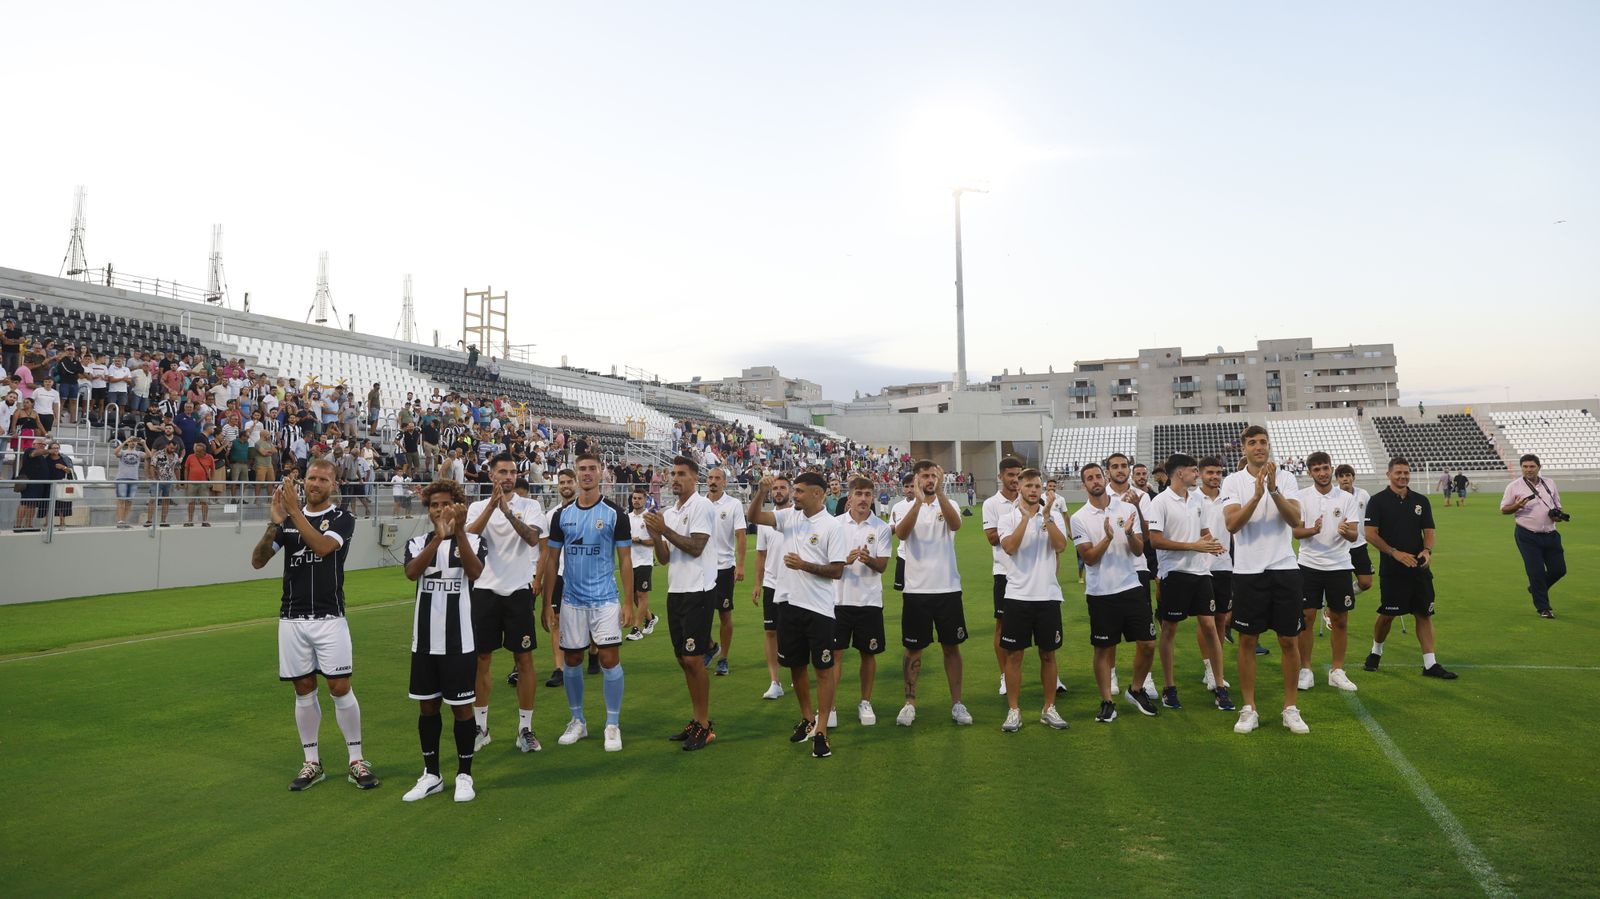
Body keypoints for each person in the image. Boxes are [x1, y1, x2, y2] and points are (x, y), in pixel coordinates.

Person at [248, 462, 375, 792]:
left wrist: (292, 511)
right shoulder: (288, 520)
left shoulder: (343, 519)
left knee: (339, 687)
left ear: (334, 483)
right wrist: (272, 526)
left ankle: (357, 759)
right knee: (303, 688)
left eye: (323, 479)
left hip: (330, 617)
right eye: (311, 478)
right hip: (292, 618)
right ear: (303, 482)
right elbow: (258, 560)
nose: (316, 484)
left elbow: (321, 547)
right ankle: (312, 762)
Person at [747, 472, 849, 758]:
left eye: (801, 491)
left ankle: (823, 730)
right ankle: (807, 719)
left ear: (818, 494)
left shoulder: (831, 526)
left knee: (823, 670)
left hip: (819, 609)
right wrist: (760, 492)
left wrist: (804, 565)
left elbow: (837, 570)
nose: (795, 495)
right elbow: (754, 516)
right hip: (788, 603)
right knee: (796, 666)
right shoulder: (789, 517)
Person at [540, 452, 634, 752]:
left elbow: (626, 559)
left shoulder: (615, 514)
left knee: (608, 659)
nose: (587, 474)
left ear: (601, 472)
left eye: (592, 468)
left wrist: (629, 602)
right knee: (572, 660)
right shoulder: (561, 516)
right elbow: (552, 560)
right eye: (582, 469)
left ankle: (612, 724)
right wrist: (547, 604)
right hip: (572, 601)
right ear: (576, 474)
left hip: (605, 599)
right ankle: (577, 721)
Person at [1221, 425, 1309, 735]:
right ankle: (1249, 708)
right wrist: (1257, 496)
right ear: (1243, 448)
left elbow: (1296, 520)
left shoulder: (1285, 478)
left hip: (1284, 568)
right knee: (1247, 640)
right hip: (1247, 572)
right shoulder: (1233, 481)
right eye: (1253, 443)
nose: (1259, 447)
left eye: (1263, 442)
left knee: (1288, 639)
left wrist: (1273, 490)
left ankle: (1290, 708)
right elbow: (1232, 524)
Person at [400, 481, 485, 803]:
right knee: (427, 707)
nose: (440, 510)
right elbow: (411, 572)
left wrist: (459, 532)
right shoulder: (418, 542)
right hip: (424, 644)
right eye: (435, 505)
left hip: (459, 643)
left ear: (458, 505)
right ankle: (431, 774)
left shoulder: (474, 541)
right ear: (428, 508)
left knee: (462, 709)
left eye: (446, 504)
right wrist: (439, 536)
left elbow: (475, 572)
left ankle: (465, 775)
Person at [465, 453, 549, 754]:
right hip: (484, 590)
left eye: (513, 472)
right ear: (491, 475)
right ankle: (481, 727)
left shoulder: (531, 506)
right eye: (502, 471)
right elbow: (468, 537)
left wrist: (508, 511)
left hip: (518, 591)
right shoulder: (477, 506)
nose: (508, 476)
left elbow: (531, 539)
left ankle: (525, 729)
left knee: (524, 660)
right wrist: (492, 506)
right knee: (481, 660)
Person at [1071, 462, 1155, 723]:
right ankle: (1107, 700)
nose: (1095, 481)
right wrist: (1107, 538)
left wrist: (1129, 533)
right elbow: (1089, 559)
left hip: (1131, 585)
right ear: (1083, 484)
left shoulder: (1127, 508)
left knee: (1148, 644)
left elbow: (1139, 550)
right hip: (1101, 593)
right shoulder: (1079, 518)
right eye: (1089, 478)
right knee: (1104, 649)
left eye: (1098, 476)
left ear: (1104, 478)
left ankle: (1136, 689)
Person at [643, 455, 717, 751]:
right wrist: (655, 535)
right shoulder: (670, 512)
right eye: (672, 473)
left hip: (698, 590)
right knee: (682, 659)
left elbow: (696, 548)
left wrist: (664, 531)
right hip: (677, 590)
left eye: (681, 474)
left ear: (694, 478)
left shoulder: (702, 506)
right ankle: (696, 720)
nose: (675, 478)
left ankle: (704, 724)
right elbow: (665, 557)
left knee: (693, 659)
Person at [1145, 453, 1228, 712]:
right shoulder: (1159, 502)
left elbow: (1204, 531)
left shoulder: (1197, 501)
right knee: (1169, 630)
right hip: (1175, 573)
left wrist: (1213, 543)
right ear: (1180, 473)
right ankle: (1169, 688)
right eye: (1194, 470)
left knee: (1210, 626)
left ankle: (1219, 685)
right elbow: (1155, 540)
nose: (1197, 474)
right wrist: (1194, 545)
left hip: (1202, 573)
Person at [893, 460, 971, 728]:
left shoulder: (946, 503)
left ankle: (957, 703)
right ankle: (909, 703)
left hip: (948, 587)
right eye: (925, 476)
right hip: (916, 590)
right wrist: (917, 502)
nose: (929, 480)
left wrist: (939, 494)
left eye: (933, 476)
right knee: (913, 650)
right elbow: (901, 534)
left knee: (952, 647)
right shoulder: (900, 507)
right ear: (916, 479)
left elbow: (955, 524)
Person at [1363, 458, 1457, 679]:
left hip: (1419, 568)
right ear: (1389, 475)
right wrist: (1395, 553)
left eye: (1406, 472)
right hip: (1393, 569)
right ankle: (1376, 652)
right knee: (1387, 615)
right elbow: (1370, 533)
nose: (1403, 476)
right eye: (1398, 473)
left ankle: (1430, 664)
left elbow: (1429, 530)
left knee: (1424, 614)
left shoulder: (1421, 501)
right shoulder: (1377, 501)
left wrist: (1427, 551)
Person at [996, 468, 1071, 732]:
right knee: (1014, 656)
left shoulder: (1051, 516)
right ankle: (1014, 710)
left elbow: (1061, 546)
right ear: (1019, 488)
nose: (1033, 490)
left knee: (1048, 654)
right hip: (1017, 596)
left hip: (1048, 596)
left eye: (1037, 486)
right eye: (1028, 486)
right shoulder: (1007, 518)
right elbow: (1010, 547)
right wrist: (1026, 520)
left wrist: (1047, 517)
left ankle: (1048, 708)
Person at [1290, 452, 1361, 692]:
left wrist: (1345, 532)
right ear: (1310, 472)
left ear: (1331, 469)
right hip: (1308, 564)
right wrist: (1313, 529)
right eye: (1317, 469)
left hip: (1339, 565)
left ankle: (1337, 670)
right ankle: (1305, 669)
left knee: (1340, 619)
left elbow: (1354, 534)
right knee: (1306, 619)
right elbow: (1296, 533)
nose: (1322, 473)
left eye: (1325, 468)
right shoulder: (1300, 498)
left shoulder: (1346, 498)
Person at [831, 475, 892, 727]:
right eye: (859, 494)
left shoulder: (881, 528)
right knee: (835, 654)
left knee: (869, 653)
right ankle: (829, 705)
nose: (864, 499)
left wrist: (869, 560)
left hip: (868, 601)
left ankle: (865, 702)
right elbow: (828, 565)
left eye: (868, 494)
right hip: (837, 600)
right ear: (850, 496)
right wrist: (844, 560)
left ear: (873, 498)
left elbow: (883, 566)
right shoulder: (834, 526)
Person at [1500, 454, 1567, 619]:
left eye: (1532, 466)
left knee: (1559, 570)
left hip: (1551, 533)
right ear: (1521, 468)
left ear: (1539, 467)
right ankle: (1544, 608)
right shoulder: (1514, 486)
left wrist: (1557, 516)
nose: (1528, 470)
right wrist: (1517, 505)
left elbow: (1557, 505)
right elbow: (1503, 509)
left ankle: (1536, 588)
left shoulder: (1549, 483)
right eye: (1525, 467)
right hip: (1527, 534)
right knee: (1536, 572)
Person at [982, 457, 1023, 697]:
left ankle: (1053, 675)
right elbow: (991, 537)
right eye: (1010, 475)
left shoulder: (1029, 497)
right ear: (1000, 476)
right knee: (1002, 625)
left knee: (1038, 627)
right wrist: (1018, 526)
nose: (1015, 480)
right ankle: (1004, 676)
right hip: (1004, 572)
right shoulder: (991, 504)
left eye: (1018, 475)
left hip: (1029, 572)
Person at [751, 473, 793, 700]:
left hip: (795, 583)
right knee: (770, 632)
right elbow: (761, 554)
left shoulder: (798, 516)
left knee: (796, 632)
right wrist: (757, 583)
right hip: (771, 584)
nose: (778, 491)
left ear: (791, 491)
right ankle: (775, 681)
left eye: (782, 487)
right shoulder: (765, 520)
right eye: (775, 488)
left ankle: (798, 673)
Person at [702, 467, 747, 676]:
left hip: (724, 568)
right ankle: (711, 646)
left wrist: (740, 564)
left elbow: (740, 535)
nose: (713, 481)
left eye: (717, 478)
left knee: (724, 614)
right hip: (701, 568)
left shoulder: (733, 504)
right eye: (710, 477)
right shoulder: (699, 504)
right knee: (699, 615)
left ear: (724, 482)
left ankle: (723, 658)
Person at [624, 489, 660, 640]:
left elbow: (655, 541)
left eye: (639, 498)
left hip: (644, 562)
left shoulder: (649, 518)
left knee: (641, 595)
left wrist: (639, 540)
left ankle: (636, 629)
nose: (636, 501)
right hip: (629, 562)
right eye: (634, 498)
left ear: (645, 500)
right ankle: (650, 618)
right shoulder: (627, 518)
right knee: (633, 597)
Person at [1335, 465, 1374, 597]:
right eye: (1341, 476)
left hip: (1359, 544)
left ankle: (1341, 595)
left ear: (1353, 477)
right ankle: (1333, 608)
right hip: (1339, 546)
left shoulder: (1363, 494)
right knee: (1338, 582)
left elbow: (1371, 517)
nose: (1345, 479)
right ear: (1337, 479)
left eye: (1348, 475)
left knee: (1366, 583)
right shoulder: (1332, 495)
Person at [112, 435, 147, 528]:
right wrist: (124, 442)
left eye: (134, 441)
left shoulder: (139, 453)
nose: (132, 442)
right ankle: (120, 521)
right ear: (128, 442)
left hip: (134, 479)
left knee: (129, 501)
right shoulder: (123, 452)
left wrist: (144, 444)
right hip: (122, 478)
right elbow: (115, 453)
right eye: (131, 441)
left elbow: (150, 456)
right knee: (121, 500)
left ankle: (124, 520)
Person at [888, 475, 915, 591]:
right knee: (904, 592)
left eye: (913, 486)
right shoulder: (897, 507)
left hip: (920, 557)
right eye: (906, 486)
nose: (909, 489)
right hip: (903, 555)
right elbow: (892, 528)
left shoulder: (924, 504)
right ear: (903, 489)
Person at [183, 440, 214, 527]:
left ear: (204, 451)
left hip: (204, 483)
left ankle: (204, 521)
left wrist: (211, 481)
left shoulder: (209, 457)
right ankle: (190, 521)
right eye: (196, 451)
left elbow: (213, 470)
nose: (196, 453)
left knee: (204, 502)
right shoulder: (190, 457)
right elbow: (186, 469)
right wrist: (186, 482)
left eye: (199, 451)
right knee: (191, 502)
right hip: (192, 482)